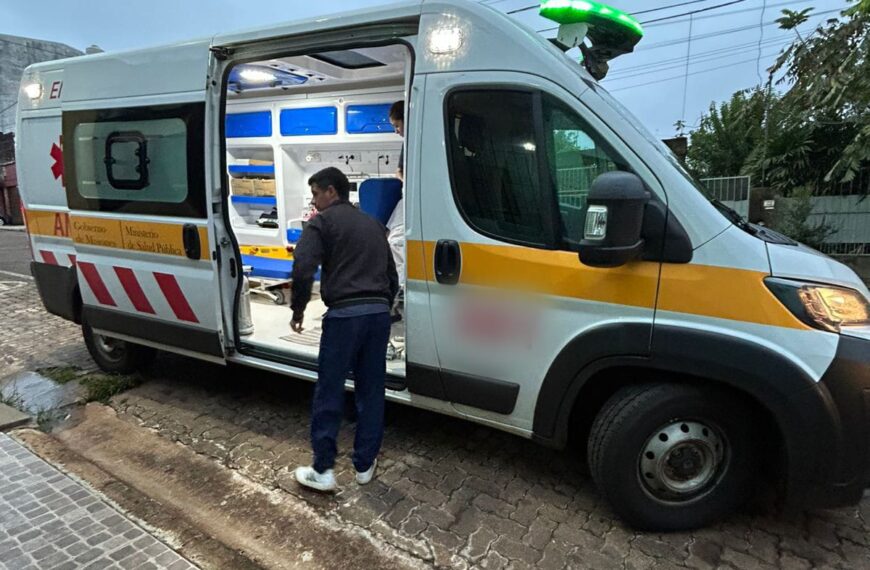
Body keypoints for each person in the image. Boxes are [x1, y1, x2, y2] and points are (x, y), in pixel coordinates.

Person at [291, 167, 399, 492]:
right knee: (371, 389)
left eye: (315, 195)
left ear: (331, 192)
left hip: (345, 317)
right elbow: (391, 275)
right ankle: (365, 465)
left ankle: (323, 470)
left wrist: (298, 309)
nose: (313, 202)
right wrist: (382, 307)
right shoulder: (373, 224)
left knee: (330, 389)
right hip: (378, 315)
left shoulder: (321, 223)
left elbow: (303, 266)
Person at [386, 101, 405, 297]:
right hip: (409, 197)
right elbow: (399, 172)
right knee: (393, 240)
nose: (396, 131)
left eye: (397, 125)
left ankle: (399, 287)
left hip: (416, 201)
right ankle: (397, 286)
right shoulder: (406, 144)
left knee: (396, 242)